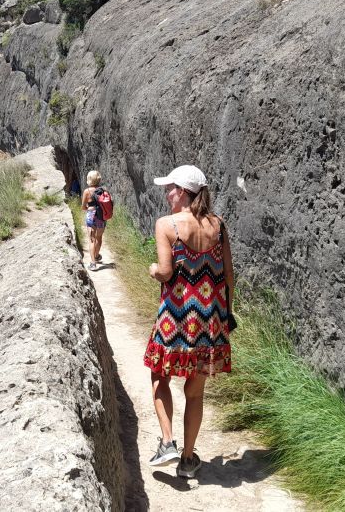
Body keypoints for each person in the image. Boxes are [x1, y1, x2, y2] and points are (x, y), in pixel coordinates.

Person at [143, 164, 236, 479]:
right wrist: (226, 314)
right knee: (195, 392)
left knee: (159, 375)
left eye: (169, 188)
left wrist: (154, 269)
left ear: (181, 191)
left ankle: (167, 441)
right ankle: (186, 460)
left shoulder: (167, 225)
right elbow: (228, 275)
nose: (167, 194)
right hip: (209, 323)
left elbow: (167, 272)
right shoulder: (218, 226)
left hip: (175, 318)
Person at [81, 170, 106, 271]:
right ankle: (96, 255)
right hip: (101, 217)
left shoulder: (87, 191)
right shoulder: (103, 190)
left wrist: (89, 208)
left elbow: (83, 207)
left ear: (89, 179)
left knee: (92, 240)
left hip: (91, 216)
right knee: (99, 238)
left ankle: (93, 263)